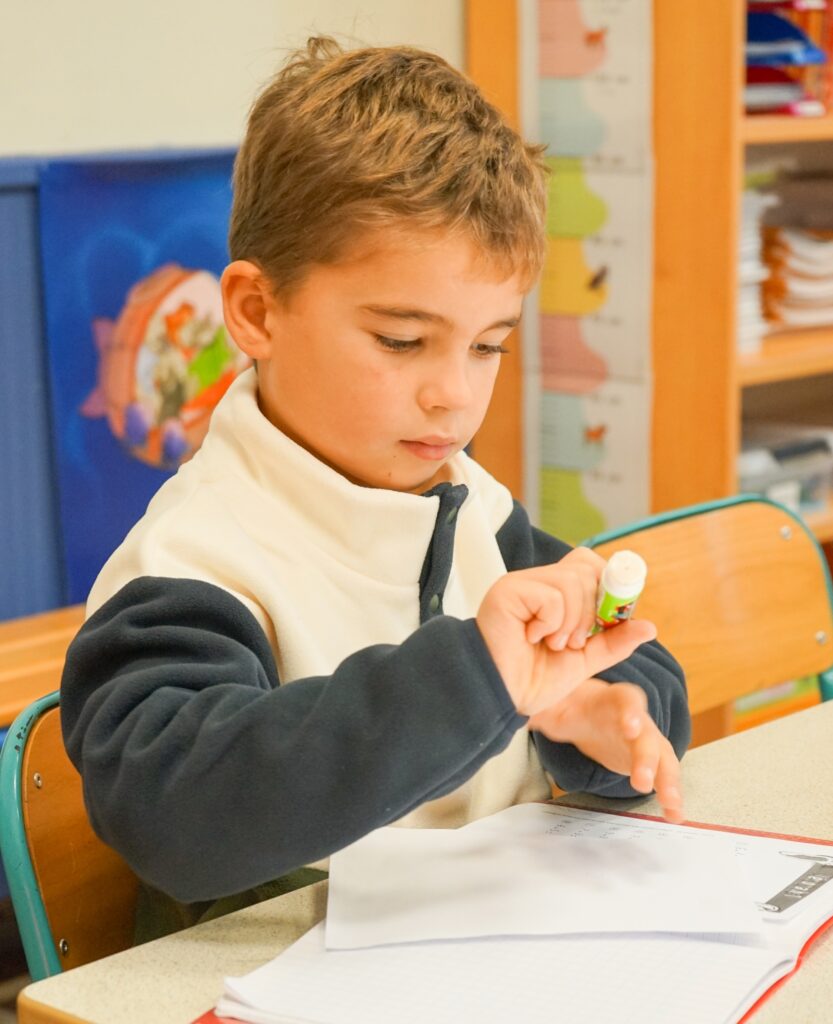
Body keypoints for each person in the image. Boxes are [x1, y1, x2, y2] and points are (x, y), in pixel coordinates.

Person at [60, 36, 691, 936]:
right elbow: (173, 813)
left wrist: (592, 718)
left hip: (498, 940)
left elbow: (644, 673)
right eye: (401, 340)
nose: (454, 393)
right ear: (256, 312)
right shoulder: (191, 563)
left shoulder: (469, 502)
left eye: (488, 345)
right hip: (280, 970)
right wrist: (478, 675)